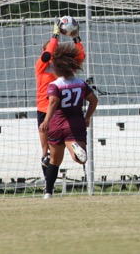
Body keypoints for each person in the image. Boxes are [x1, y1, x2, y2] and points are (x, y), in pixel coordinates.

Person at [39, 43, 97, 199]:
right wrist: (87, 117)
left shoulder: (55, 85)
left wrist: (46, 121)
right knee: (79, 159)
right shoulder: (80, 83)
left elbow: (52, 102)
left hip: (57, 124)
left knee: (54, 160)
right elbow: (94, 100)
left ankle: (48, 192)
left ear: (57, 67)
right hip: (75, 123)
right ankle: (75, 148)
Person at [35, 17, 85, 179]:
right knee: (49, 152)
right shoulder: (42, 65)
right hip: (48, 110)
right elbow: (48, 53)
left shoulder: (60, 67)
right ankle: (48, 184)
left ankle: (48, 188)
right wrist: (55, 36)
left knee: (49, 151)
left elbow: (80, 57)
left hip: (51, 112)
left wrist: (75, 38)